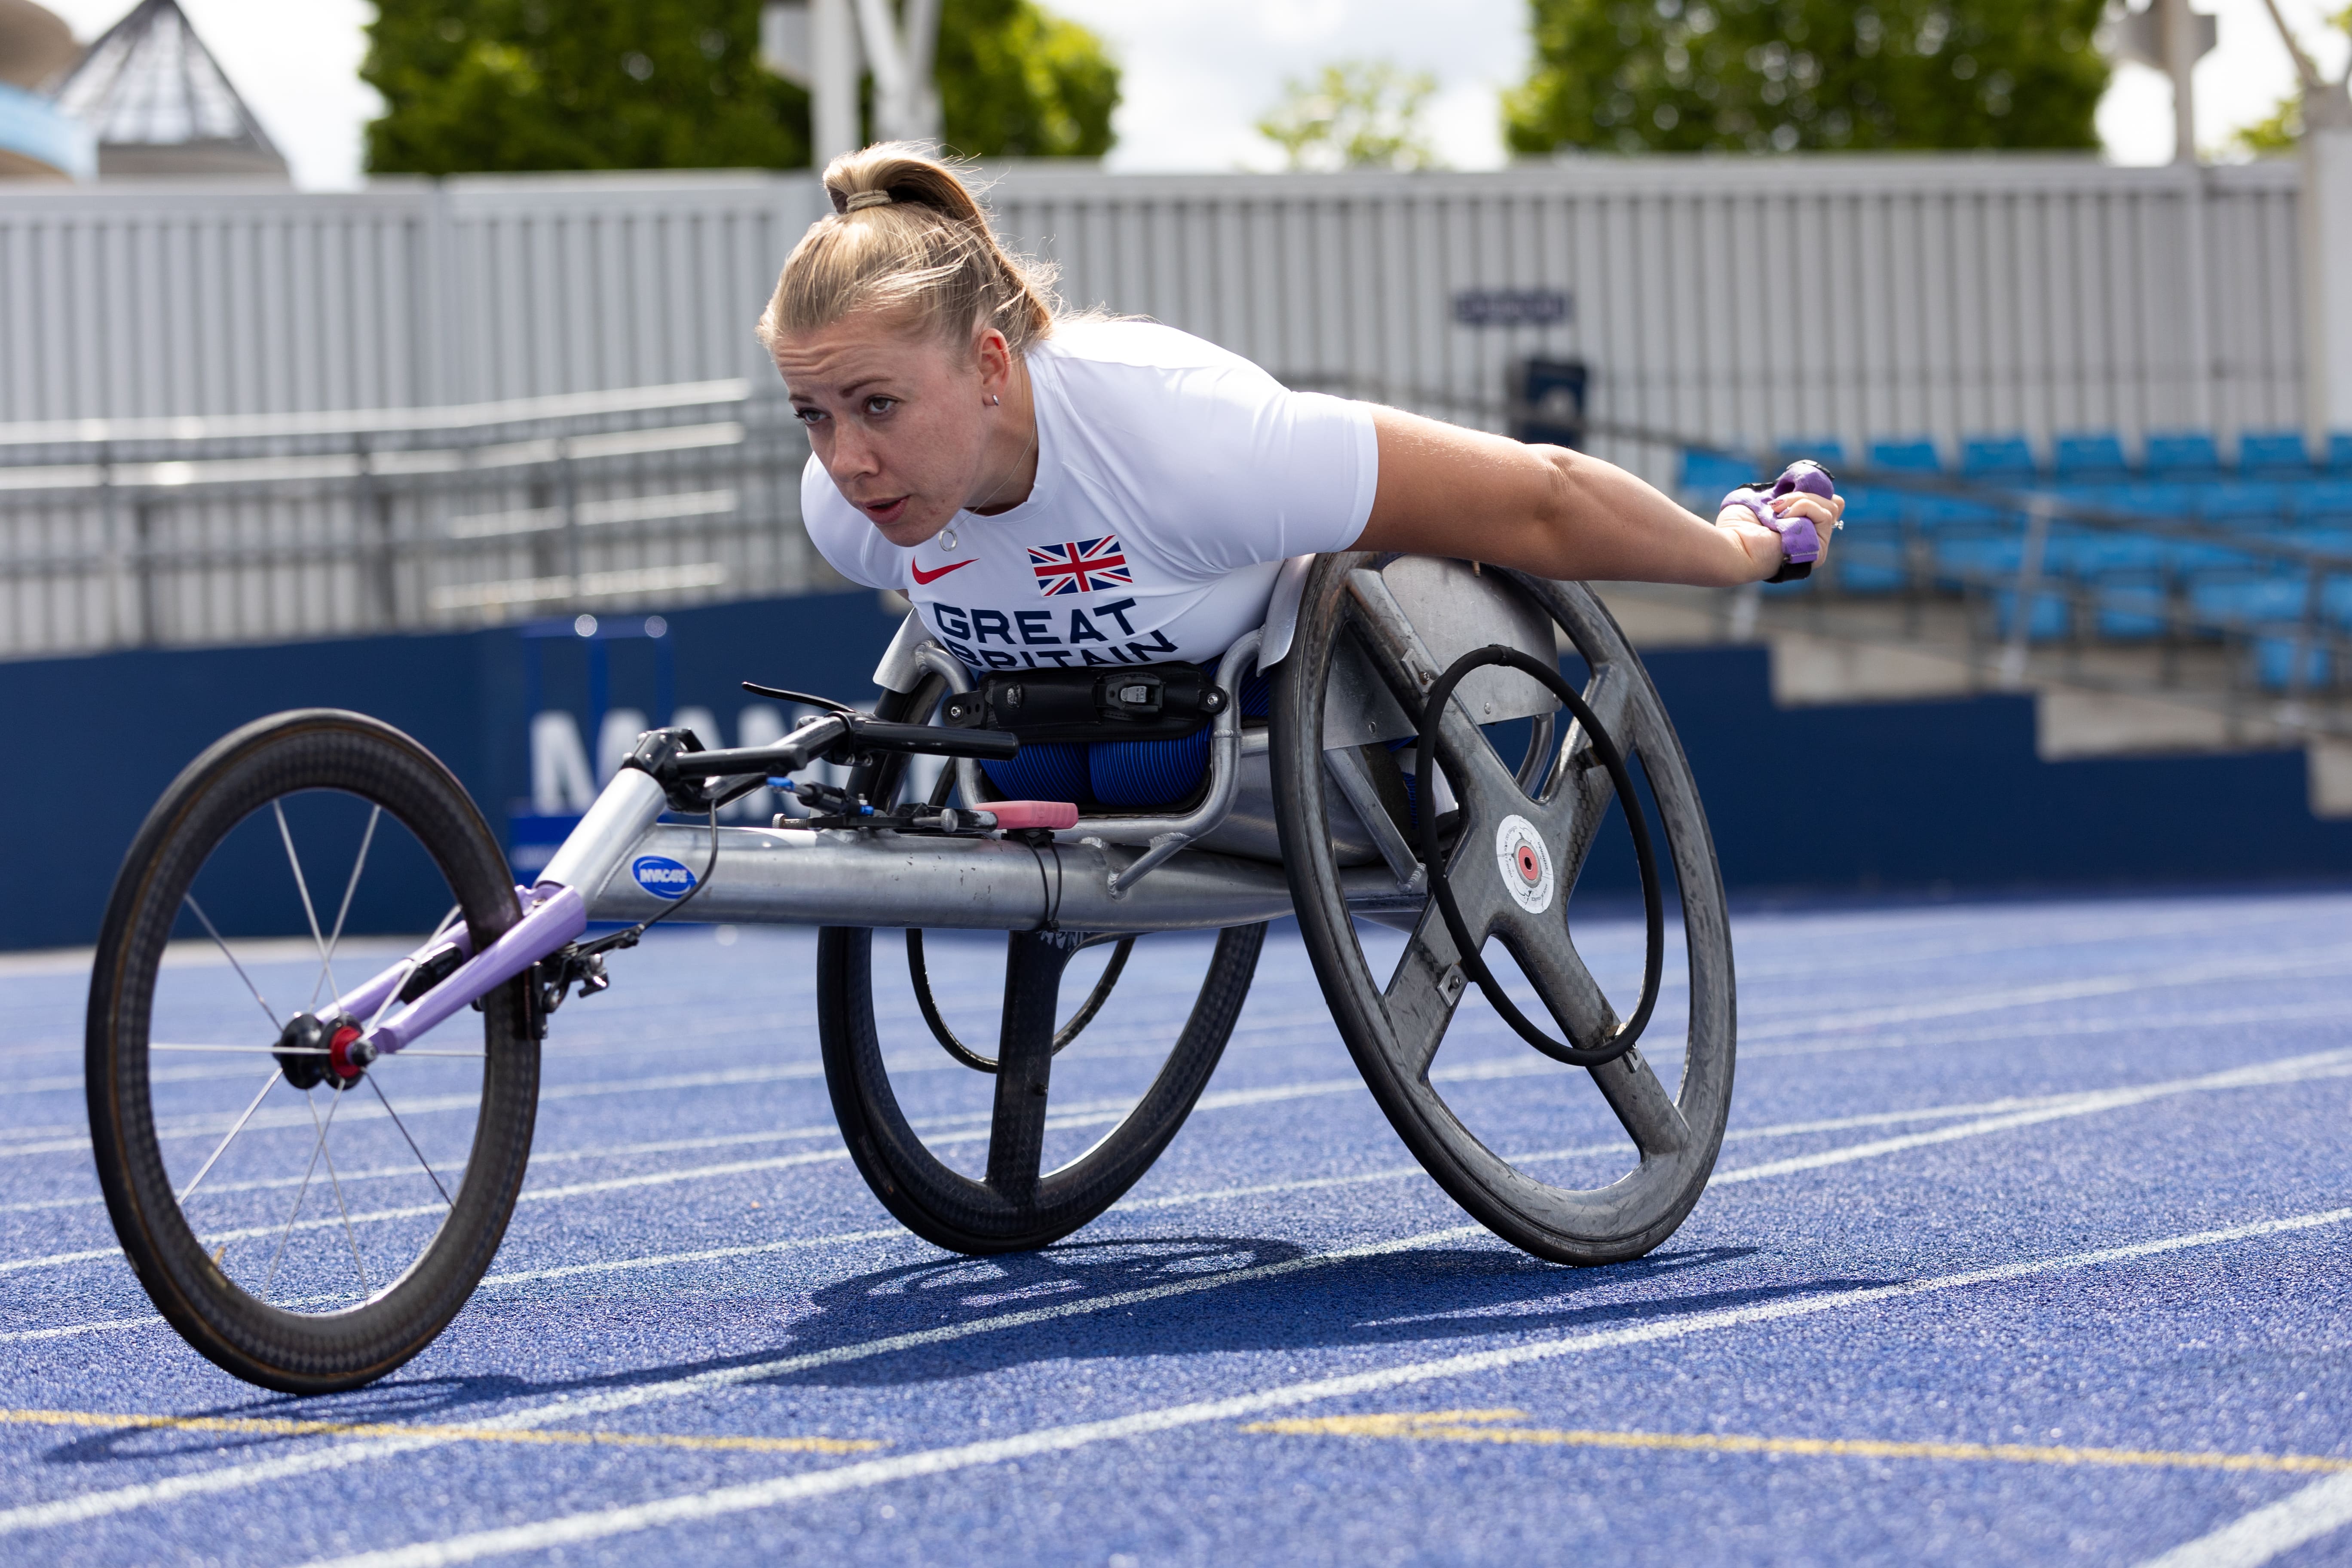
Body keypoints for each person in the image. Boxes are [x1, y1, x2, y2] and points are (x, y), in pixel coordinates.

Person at [757, 141, 1842, 717]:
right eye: (814, 416)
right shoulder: (847, 517)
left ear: (990, 366)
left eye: (879, 407)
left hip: (1278, 693)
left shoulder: (1189, 445)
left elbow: (1541, 500)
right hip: (1054, 733)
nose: (849, 463)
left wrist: (1741, 552)